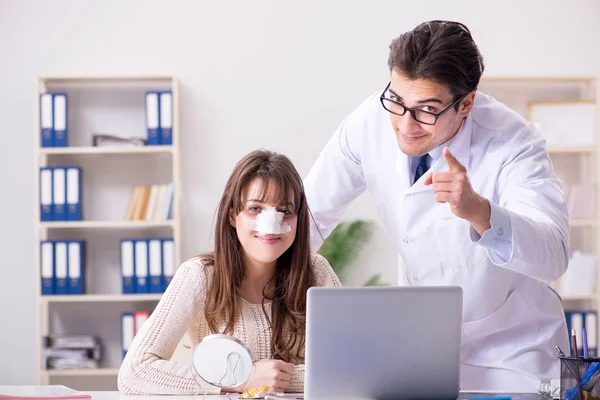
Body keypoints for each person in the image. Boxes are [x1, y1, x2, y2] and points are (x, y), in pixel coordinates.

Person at [303, 20, 570, 391]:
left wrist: (480, 211)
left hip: (511, 354)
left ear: (466, 104)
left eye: (427, 109)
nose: (405, 124)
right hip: (419, 349)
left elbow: (553, 255)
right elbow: (308, 217)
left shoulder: (514, 143)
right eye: (397, 100)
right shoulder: (370, 121)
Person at [118, 149, 341, 395]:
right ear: (233, 215)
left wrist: (278, 380)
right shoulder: (200, 276)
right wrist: (241, 379)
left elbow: (354, 364)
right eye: (256, 209)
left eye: (285, 211)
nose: (271, 224)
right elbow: (134, 373)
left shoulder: (316, 271)